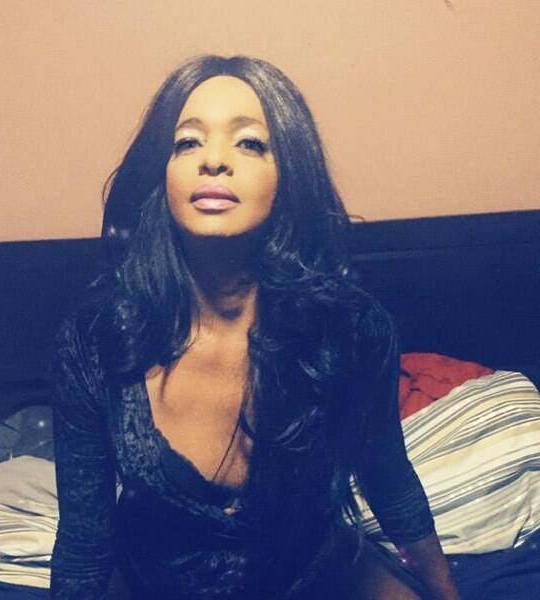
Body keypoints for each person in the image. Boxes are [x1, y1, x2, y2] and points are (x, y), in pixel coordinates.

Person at [50, 55, 459, 599]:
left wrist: (445, 592)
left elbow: (388, 478)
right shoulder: (97, 336)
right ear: (161, 175)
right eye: (188, 142)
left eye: (249, 143)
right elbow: (84, 539)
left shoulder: (352, 329)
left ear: (288, 175)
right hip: (156, 584)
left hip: (313, 576)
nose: (214, 160)